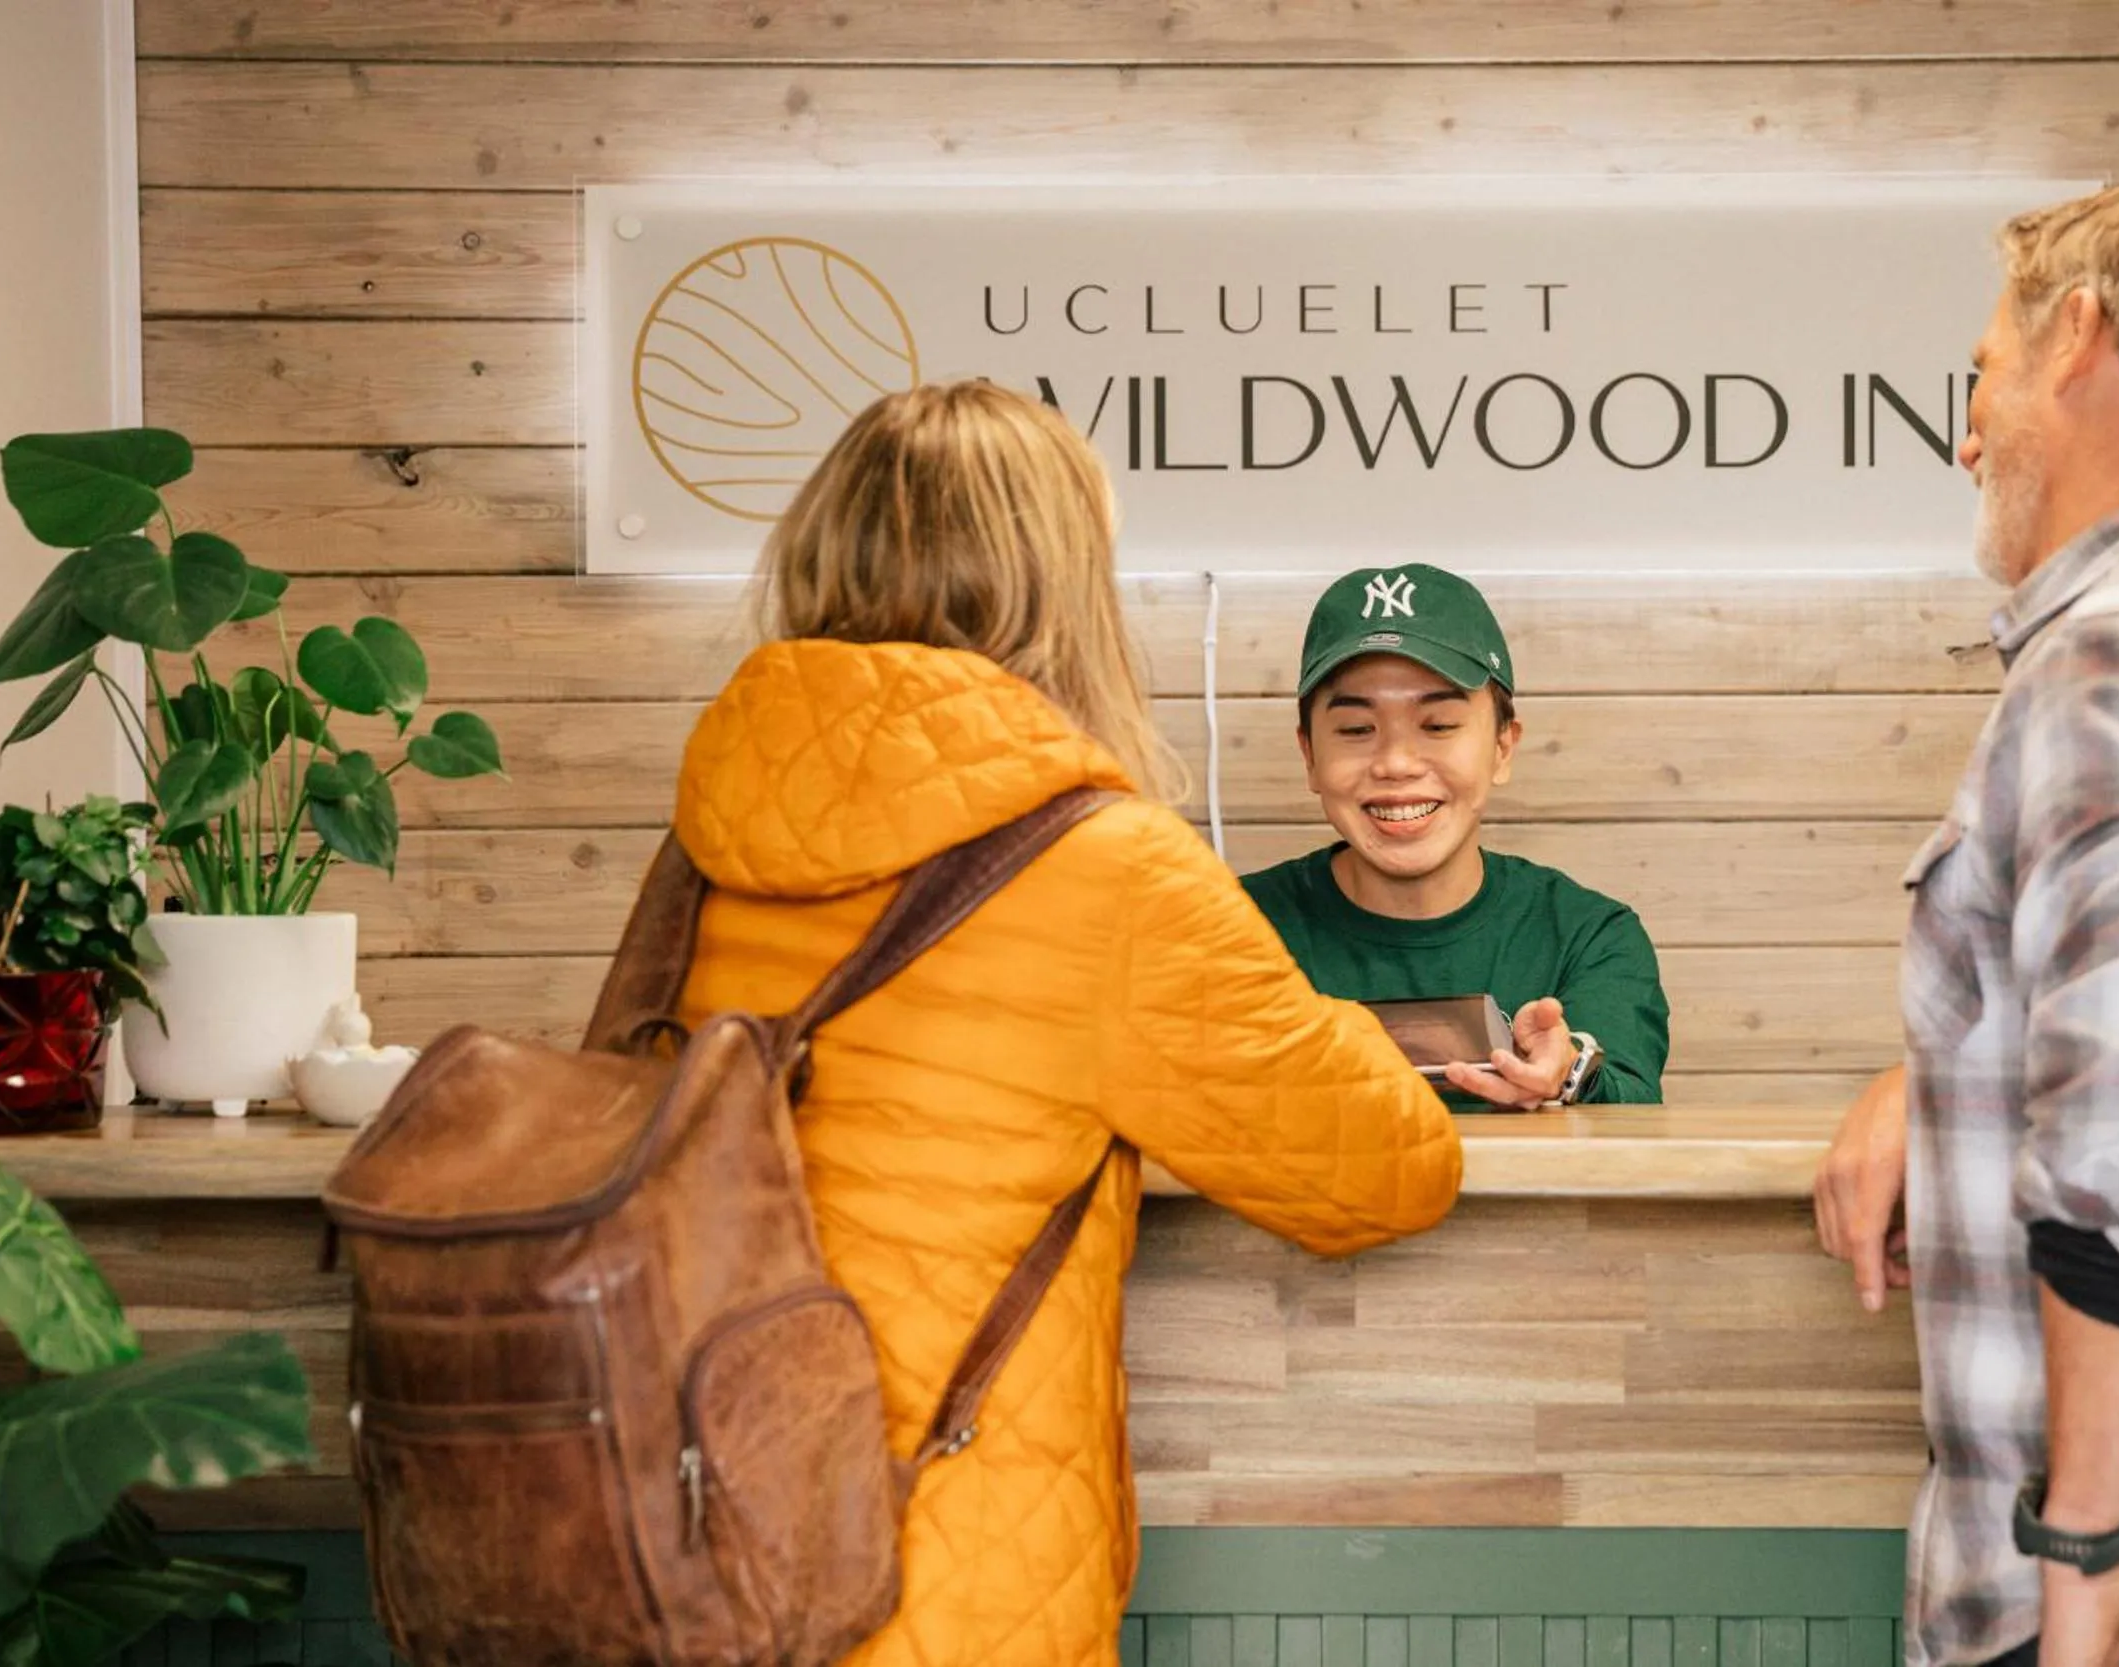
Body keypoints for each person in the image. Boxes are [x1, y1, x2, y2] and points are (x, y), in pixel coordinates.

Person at [671, 380, 1465, 1667]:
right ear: (1059, 585)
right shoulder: (1103, 867)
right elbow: (1383, 1169)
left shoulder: (704, 835)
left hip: (687, 1532)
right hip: (938, 1565)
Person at [1813, 179, 2119, 1667]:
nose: (1966, 430)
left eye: (1980, 370)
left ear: (2075, 335)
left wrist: (2085, 1562)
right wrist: (1936, 1075)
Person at [1242, 563, 1670, 1108]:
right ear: (1309, 756)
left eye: (1439, 726)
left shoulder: (1588, 935)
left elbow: (1630, 1118)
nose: (1396, 763)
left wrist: (1567, 1074)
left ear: (1502, 747)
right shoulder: (1223, 930)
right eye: (1355, 730)